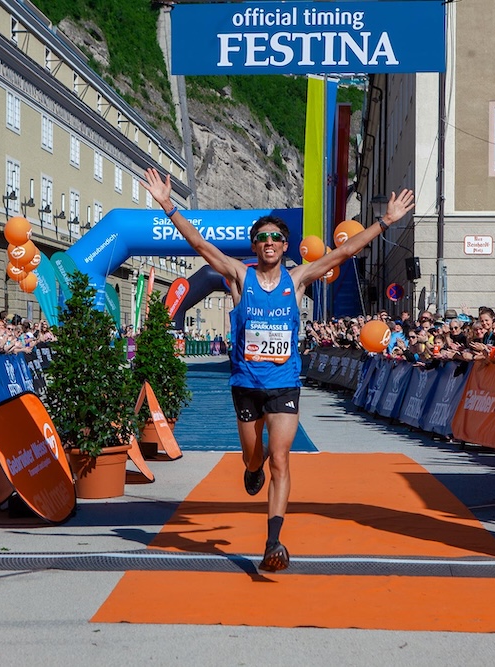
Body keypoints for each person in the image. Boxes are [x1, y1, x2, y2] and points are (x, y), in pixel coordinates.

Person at [142, 167, 415, 572]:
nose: (269, 243)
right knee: (255, 459)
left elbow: (341, 253)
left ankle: (273, 543)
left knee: (281, 459)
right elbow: (200, 245)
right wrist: (168, 206)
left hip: (284, 383)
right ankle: (251, 467)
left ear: (286, 246)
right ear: (254, 246)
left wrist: (383, 222)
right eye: (262, 238)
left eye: (276, 238)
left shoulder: (298, 278)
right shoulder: (239, 276)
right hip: (246, 384)